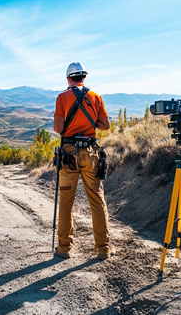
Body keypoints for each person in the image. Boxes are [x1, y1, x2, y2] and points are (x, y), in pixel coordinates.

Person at [53, 61, 113, 260]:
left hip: (68, 153)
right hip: (91, 152)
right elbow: (104, 126)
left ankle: (63, 248)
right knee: (96, 200)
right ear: (83, 77)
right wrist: (89, 122)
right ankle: (103, 248)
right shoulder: (96, 97)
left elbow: (59, 129)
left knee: (66, 202)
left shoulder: (62, 97)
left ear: (68, 79)